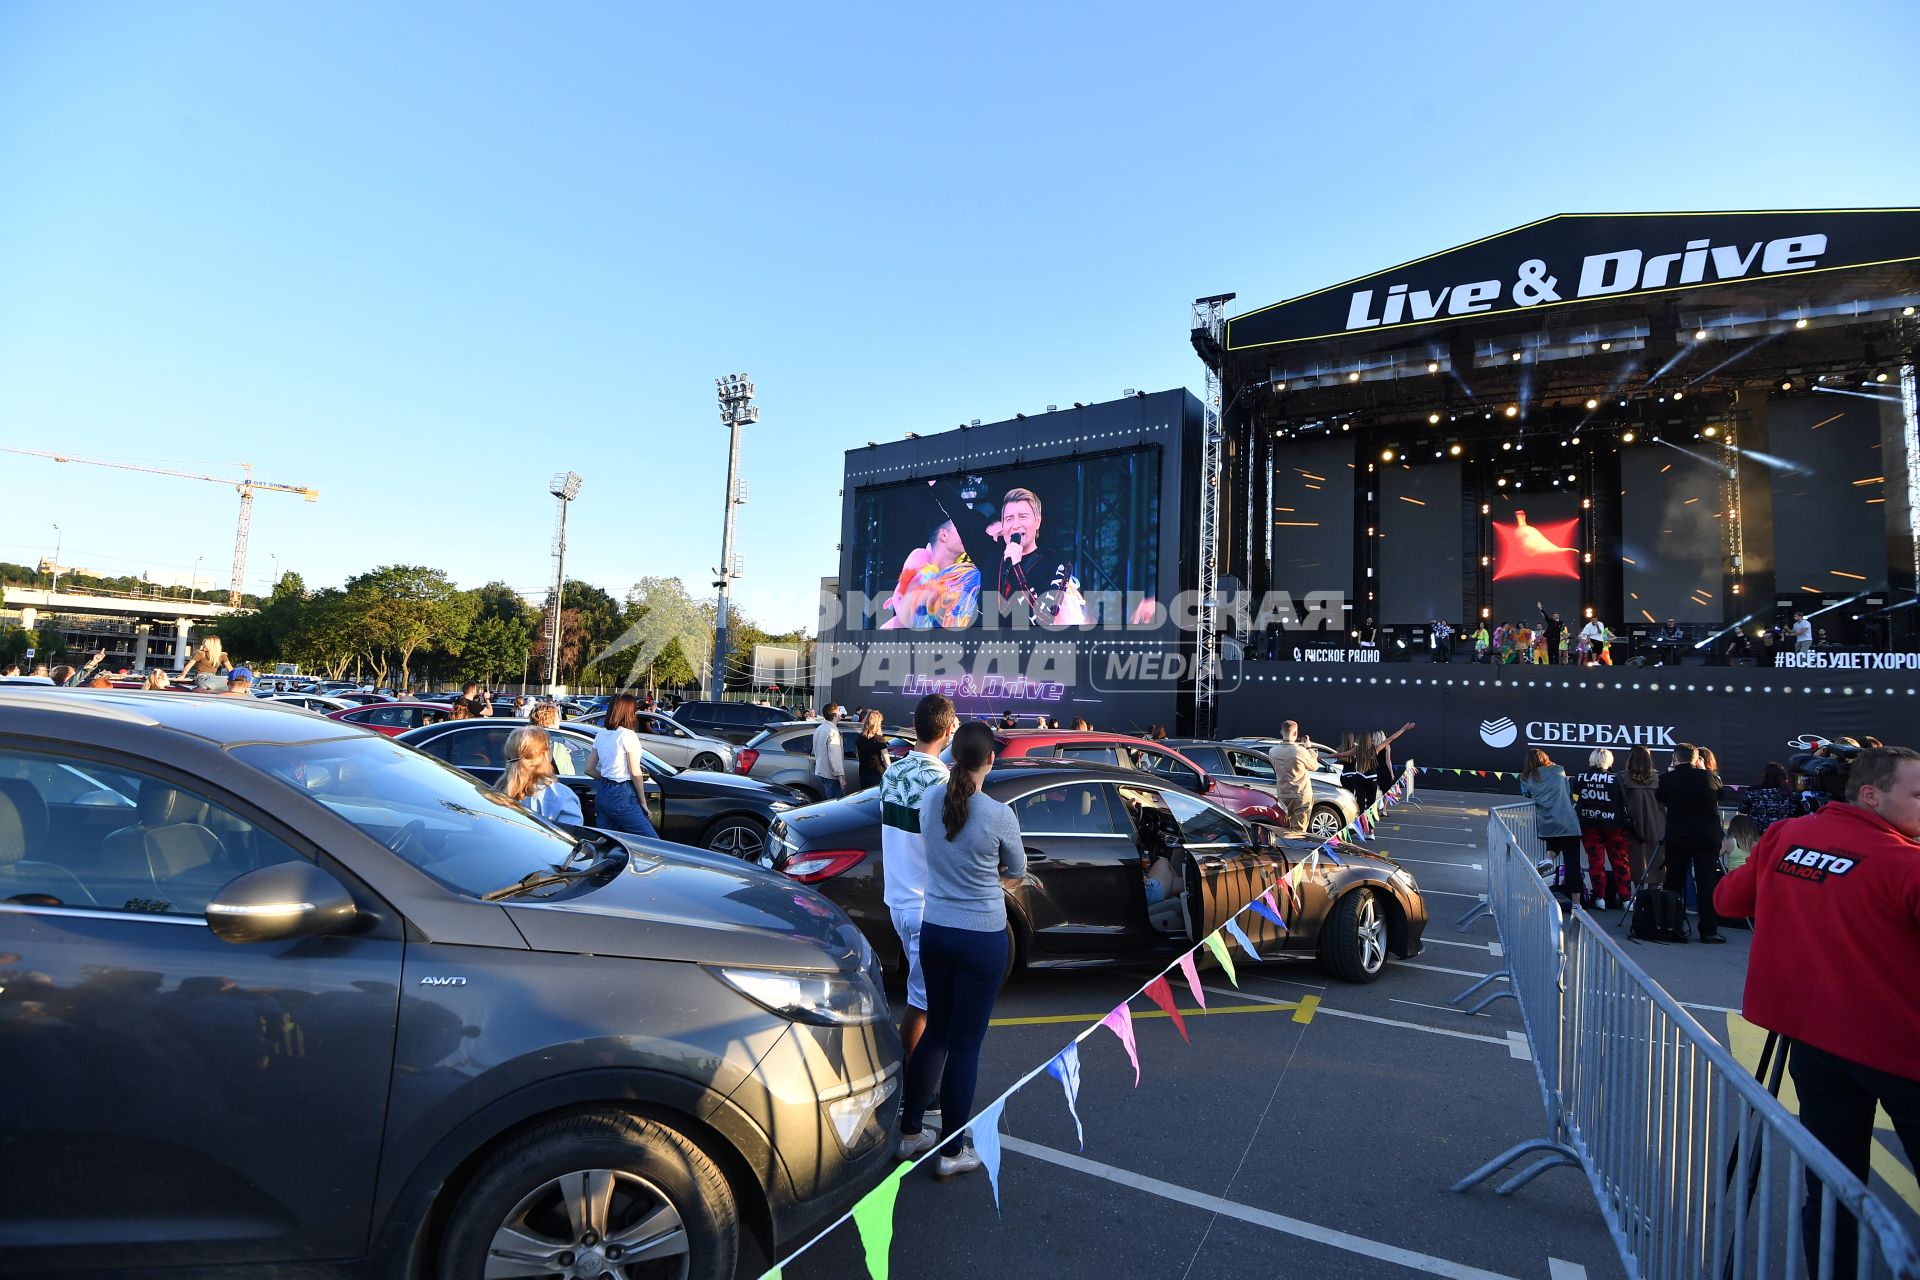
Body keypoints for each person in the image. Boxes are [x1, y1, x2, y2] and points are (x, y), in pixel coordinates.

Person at [1714, 745, 1920, 1268]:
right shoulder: (1906, 863)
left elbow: (1727, 901)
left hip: (1813, 1044)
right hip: (1901, 1054)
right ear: (1870, 796)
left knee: (1831, 1185)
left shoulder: (1788, 836)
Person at [897, 720, 1025, 1180]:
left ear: (953, 757)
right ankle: (953, 1149)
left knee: (936, 1034)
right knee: (966, 1044)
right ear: (991, 760)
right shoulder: (999, 814)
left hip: (937, 930)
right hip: (982, 936)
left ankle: (910, 1132)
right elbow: (1017, 866)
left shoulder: (931, 800)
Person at [878, 694, 958, 1065]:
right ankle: (916, 1086)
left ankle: (916, 1081)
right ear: (946, 729)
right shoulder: (942, 782)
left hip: (898, 897)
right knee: (924, 1004)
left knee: (921, 999)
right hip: (926, 905)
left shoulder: (893, 771)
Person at [1657, 743, 1726, 942]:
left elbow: (1660, 798)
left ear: (1675, 758)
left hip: (1679, 836)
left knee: (1674, 881)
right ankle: (1709, 930)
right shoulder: (1710, 777)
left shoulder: (1668, 779)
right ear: (1697, 759)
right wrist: (1705, 771)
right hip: (1707, 837)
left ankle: (1672, 926)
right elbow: (1721, 795)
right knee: (1706, 882)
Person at [880, 518, 982, 630]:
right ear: (943, 535)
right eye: (961, 529)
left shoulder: (970, 576)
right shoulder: (918, 570)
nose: (969, 534)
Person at [1521, 748, 1586, 902]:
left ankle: (1548, 858)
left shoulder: (1526, 778)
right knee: (1572, 864)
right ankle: (1577, 904)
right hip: (1569, 822)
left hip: (1548, 822)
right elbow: (1567, 789)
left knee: (1554, 842)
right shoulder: (1559, 770)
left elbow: (1526, 794)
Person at [1571, 749, 1632, 909]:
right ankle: (1626, 899)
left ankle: (1599, 898)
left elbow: (1575, 796)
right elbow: (1624, 801)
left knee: (1595, 862)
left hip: (1589, 824)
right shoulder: (1615, 778)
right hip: (1614, 826)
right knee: (1620, 862)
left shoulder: (1580, 776)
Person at [591, 693, 659, 839]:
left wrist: (606, 778)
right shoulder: (628, 735)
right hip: (622, 794)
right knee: (652, 842)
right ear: (629, 712)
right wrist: (643, 802)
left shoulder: (601, 734)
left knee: (604, 842)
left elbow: (588, 769)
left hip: (603, 793)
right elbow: (635, 772)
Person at [502, 726, 584, 825]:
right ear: (545, 755)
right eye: (550, 745)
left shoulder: (495, 790)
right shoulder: (561, 796)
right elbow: (570, 835)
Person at [1620, 744, 1664, 894]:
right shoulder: (1659, 778)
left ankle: (1638, 897)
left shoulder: (1622, 778)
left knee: (1634, 858)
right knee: (1656, 857)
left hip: (1633, 824)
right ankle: (1654, 896)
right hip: (1656, 823)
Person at [1264, 720, 1319, 835]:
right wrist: (1309, 748)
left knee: (1283, 829)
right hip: (1301, 796)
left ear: (1281, 732)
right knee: (1299, 832)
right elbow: (1314, 766)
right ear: (1295, 733)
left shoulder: (1272, 752)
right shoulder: (1301, 751)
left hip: (1283, 795)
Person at [811, 704, 846, 799]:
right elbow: (834, 756)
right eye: (839, 712)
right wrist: (841, 777)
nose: (840, 714)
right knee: (835, 805)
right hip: (831, 775)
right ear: (834, 715)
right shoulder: (833, 731)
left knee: (830, 802)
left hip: (821, 771)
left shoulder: (819, 728)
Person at [855, 708, 890, 790]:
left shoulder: (859, 738)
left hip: (863, 773)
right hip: (877, 773)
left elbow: (857, 755)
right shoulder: (879, 739)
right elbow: (887, 761)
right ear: (876, 723)